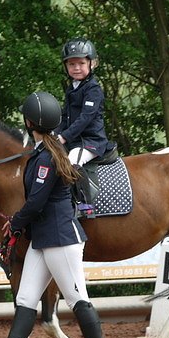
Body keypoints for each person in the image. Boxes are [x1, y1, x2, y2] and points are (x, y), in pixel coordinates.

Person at [0, 91, 113, 338]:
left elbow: (35, 202)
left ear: (29, 122)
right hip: (43, 240)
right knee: (25, 299)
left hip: (60, 240)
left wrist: (14, 224)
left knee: (77, 299)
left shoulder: (46, 157)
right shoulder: (43, 152)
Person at [56, 37, 113, 213]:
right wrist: (54, 134)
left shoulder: (93, 89)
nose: (76, 68)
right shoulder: (72, 88)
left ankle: (85, 204)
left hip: (90, 141)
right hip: (74, 140)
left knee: (72, 162)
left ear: (92, 63)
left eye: (81, 63)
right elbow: (65, 116)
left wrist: (64, 137)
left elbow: (85, 118)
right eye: (71, 64)